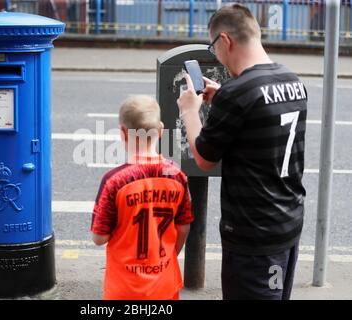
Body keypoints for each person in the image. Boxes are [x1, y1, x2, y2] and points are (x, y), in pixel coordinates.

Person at [177, 3, 307, 300]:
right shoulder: (293, 80)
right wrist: (224, 97)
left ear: (225, 40)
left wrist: (189, 111)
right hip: (288, 224)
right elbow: (263, 115)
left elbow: (204, 157)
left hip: (253, 235)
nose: (217, 57)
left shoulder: (238, 92)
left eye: (214, 48)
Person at [91, 95, 194, 300]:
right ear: (161, 130)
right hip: (165, 282)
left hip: (124, 287)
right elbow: (183, 226)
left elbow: (99, 238)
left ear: (123, 133)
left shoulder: (114, 181)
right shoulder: (177, 176)